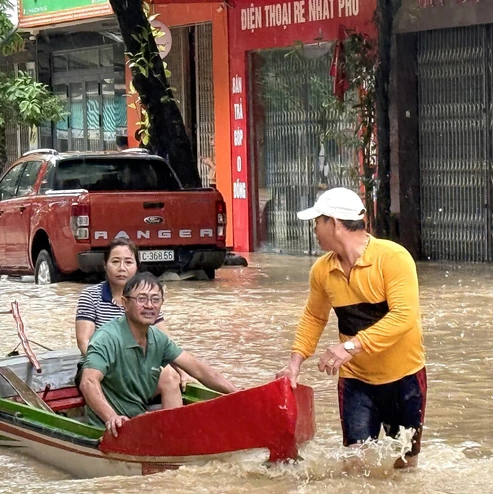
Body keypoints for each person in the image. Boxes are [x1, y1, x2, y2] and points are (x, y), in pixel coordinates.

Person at [276, 187, 427, 469]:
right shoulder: (322, 270)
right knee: (353, 465)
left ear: (333, 223)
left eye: (317, 222)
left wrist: (351, 346)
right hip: (357, 381)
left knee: (405, 465)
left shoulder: (393, 257)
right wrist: (294, 363)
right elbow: (314, 317)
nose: (314, 229)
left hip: (404, 378)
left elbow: (404, 316)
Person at [80, 272, 240, 437]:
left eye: (155, 299)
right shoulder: (106, 338)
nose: (149, 305)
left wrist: (237, 393)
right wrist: (111, 418)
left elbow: (199, 370)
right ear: (125, 303)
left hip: (137, 420)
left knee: (171, 378)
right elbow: (88, 382)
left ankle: (175, 435)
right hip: (109, 428)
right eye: (141, 299)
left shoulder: (158, 338)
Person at [75, 239, 184, 392]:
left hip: (138, 368)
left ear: (136, 267)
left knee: (170, 376)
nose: (122, 268)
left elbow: (165, 342)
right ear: (105, 265)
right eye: (115, 262)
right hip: (99, 368)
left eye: (128, 262)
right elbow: (84, 342)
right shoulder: (91, 296)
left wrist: (183, 372)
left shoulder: (146, 298)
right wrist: (114, 368)